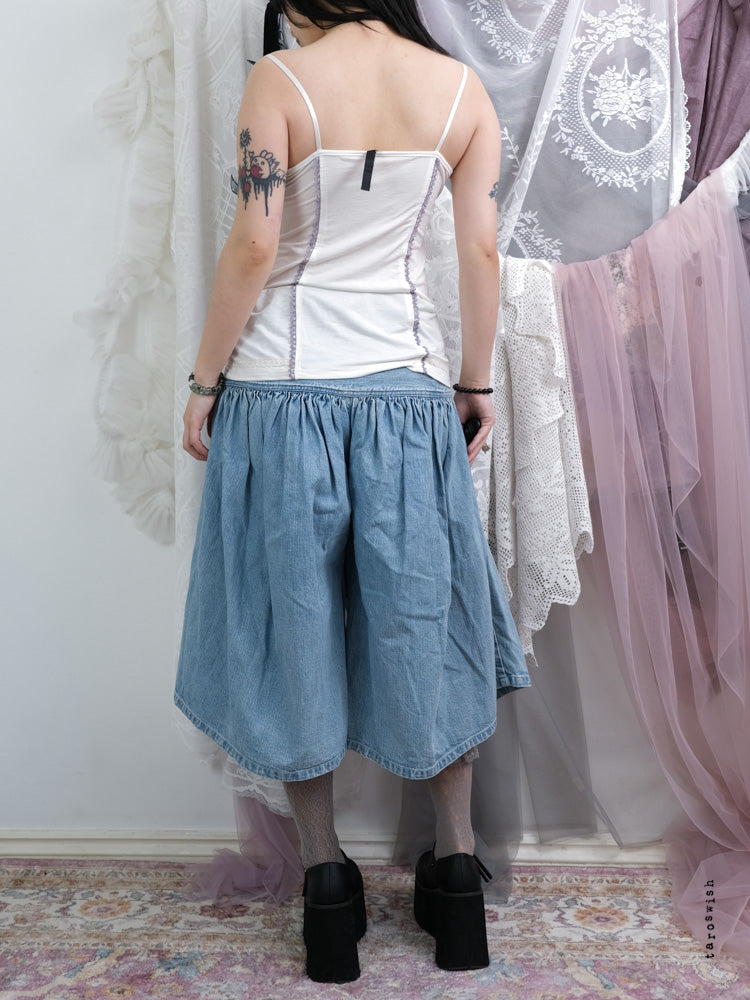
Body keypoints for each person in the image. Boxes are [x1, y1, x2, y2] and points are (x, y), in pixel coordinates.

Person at [174, 0, 529, 983]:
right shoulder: (460, 91)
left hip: (280, 398)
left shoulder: (280, 80)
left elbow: (255, 245)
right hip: (408, 399)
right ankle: (456, 881)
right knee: (428, 629)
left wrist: (203, 382)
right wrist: (474, 382)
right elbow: (480, 250)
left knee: (295, 632)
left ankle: (328, 891)